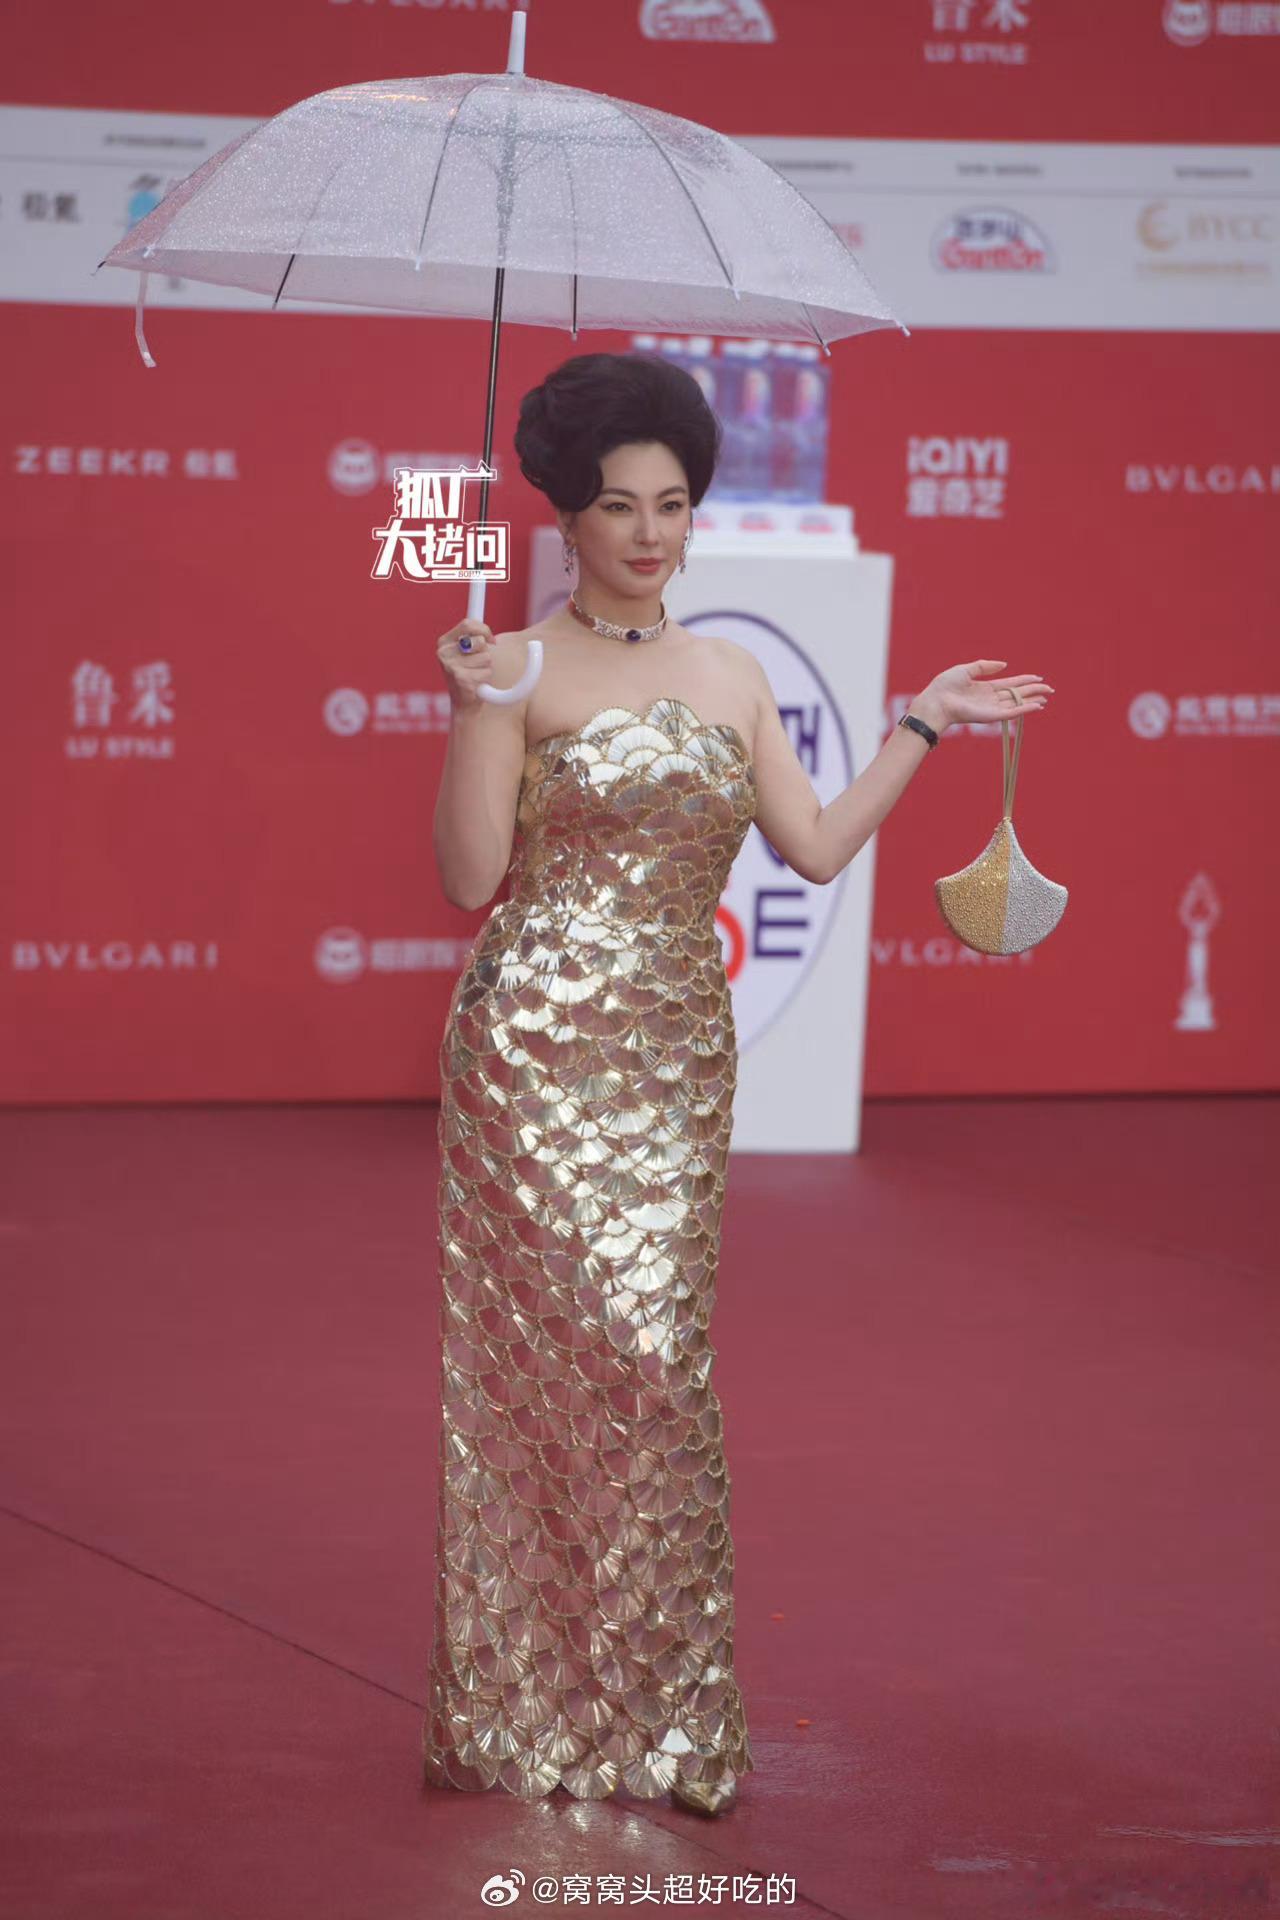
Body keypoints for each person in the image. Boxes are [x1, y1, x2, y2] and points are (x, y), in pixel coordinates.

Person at [420, 351, 1054, 1816]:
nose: (650, 532)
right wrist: (470, 713)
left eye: (673, 505)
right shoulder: (512, 667)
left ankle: (657, 1712)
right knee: (538, 1377)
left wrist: (925, 719)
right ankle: (527, 1716)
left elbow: (815, 851)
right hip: (530, 1058)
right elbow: (467, 880)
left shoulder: (734, 673)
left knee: (656, 1371)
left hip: (675, 1061)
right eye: (618, 506)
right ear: (566, 518)